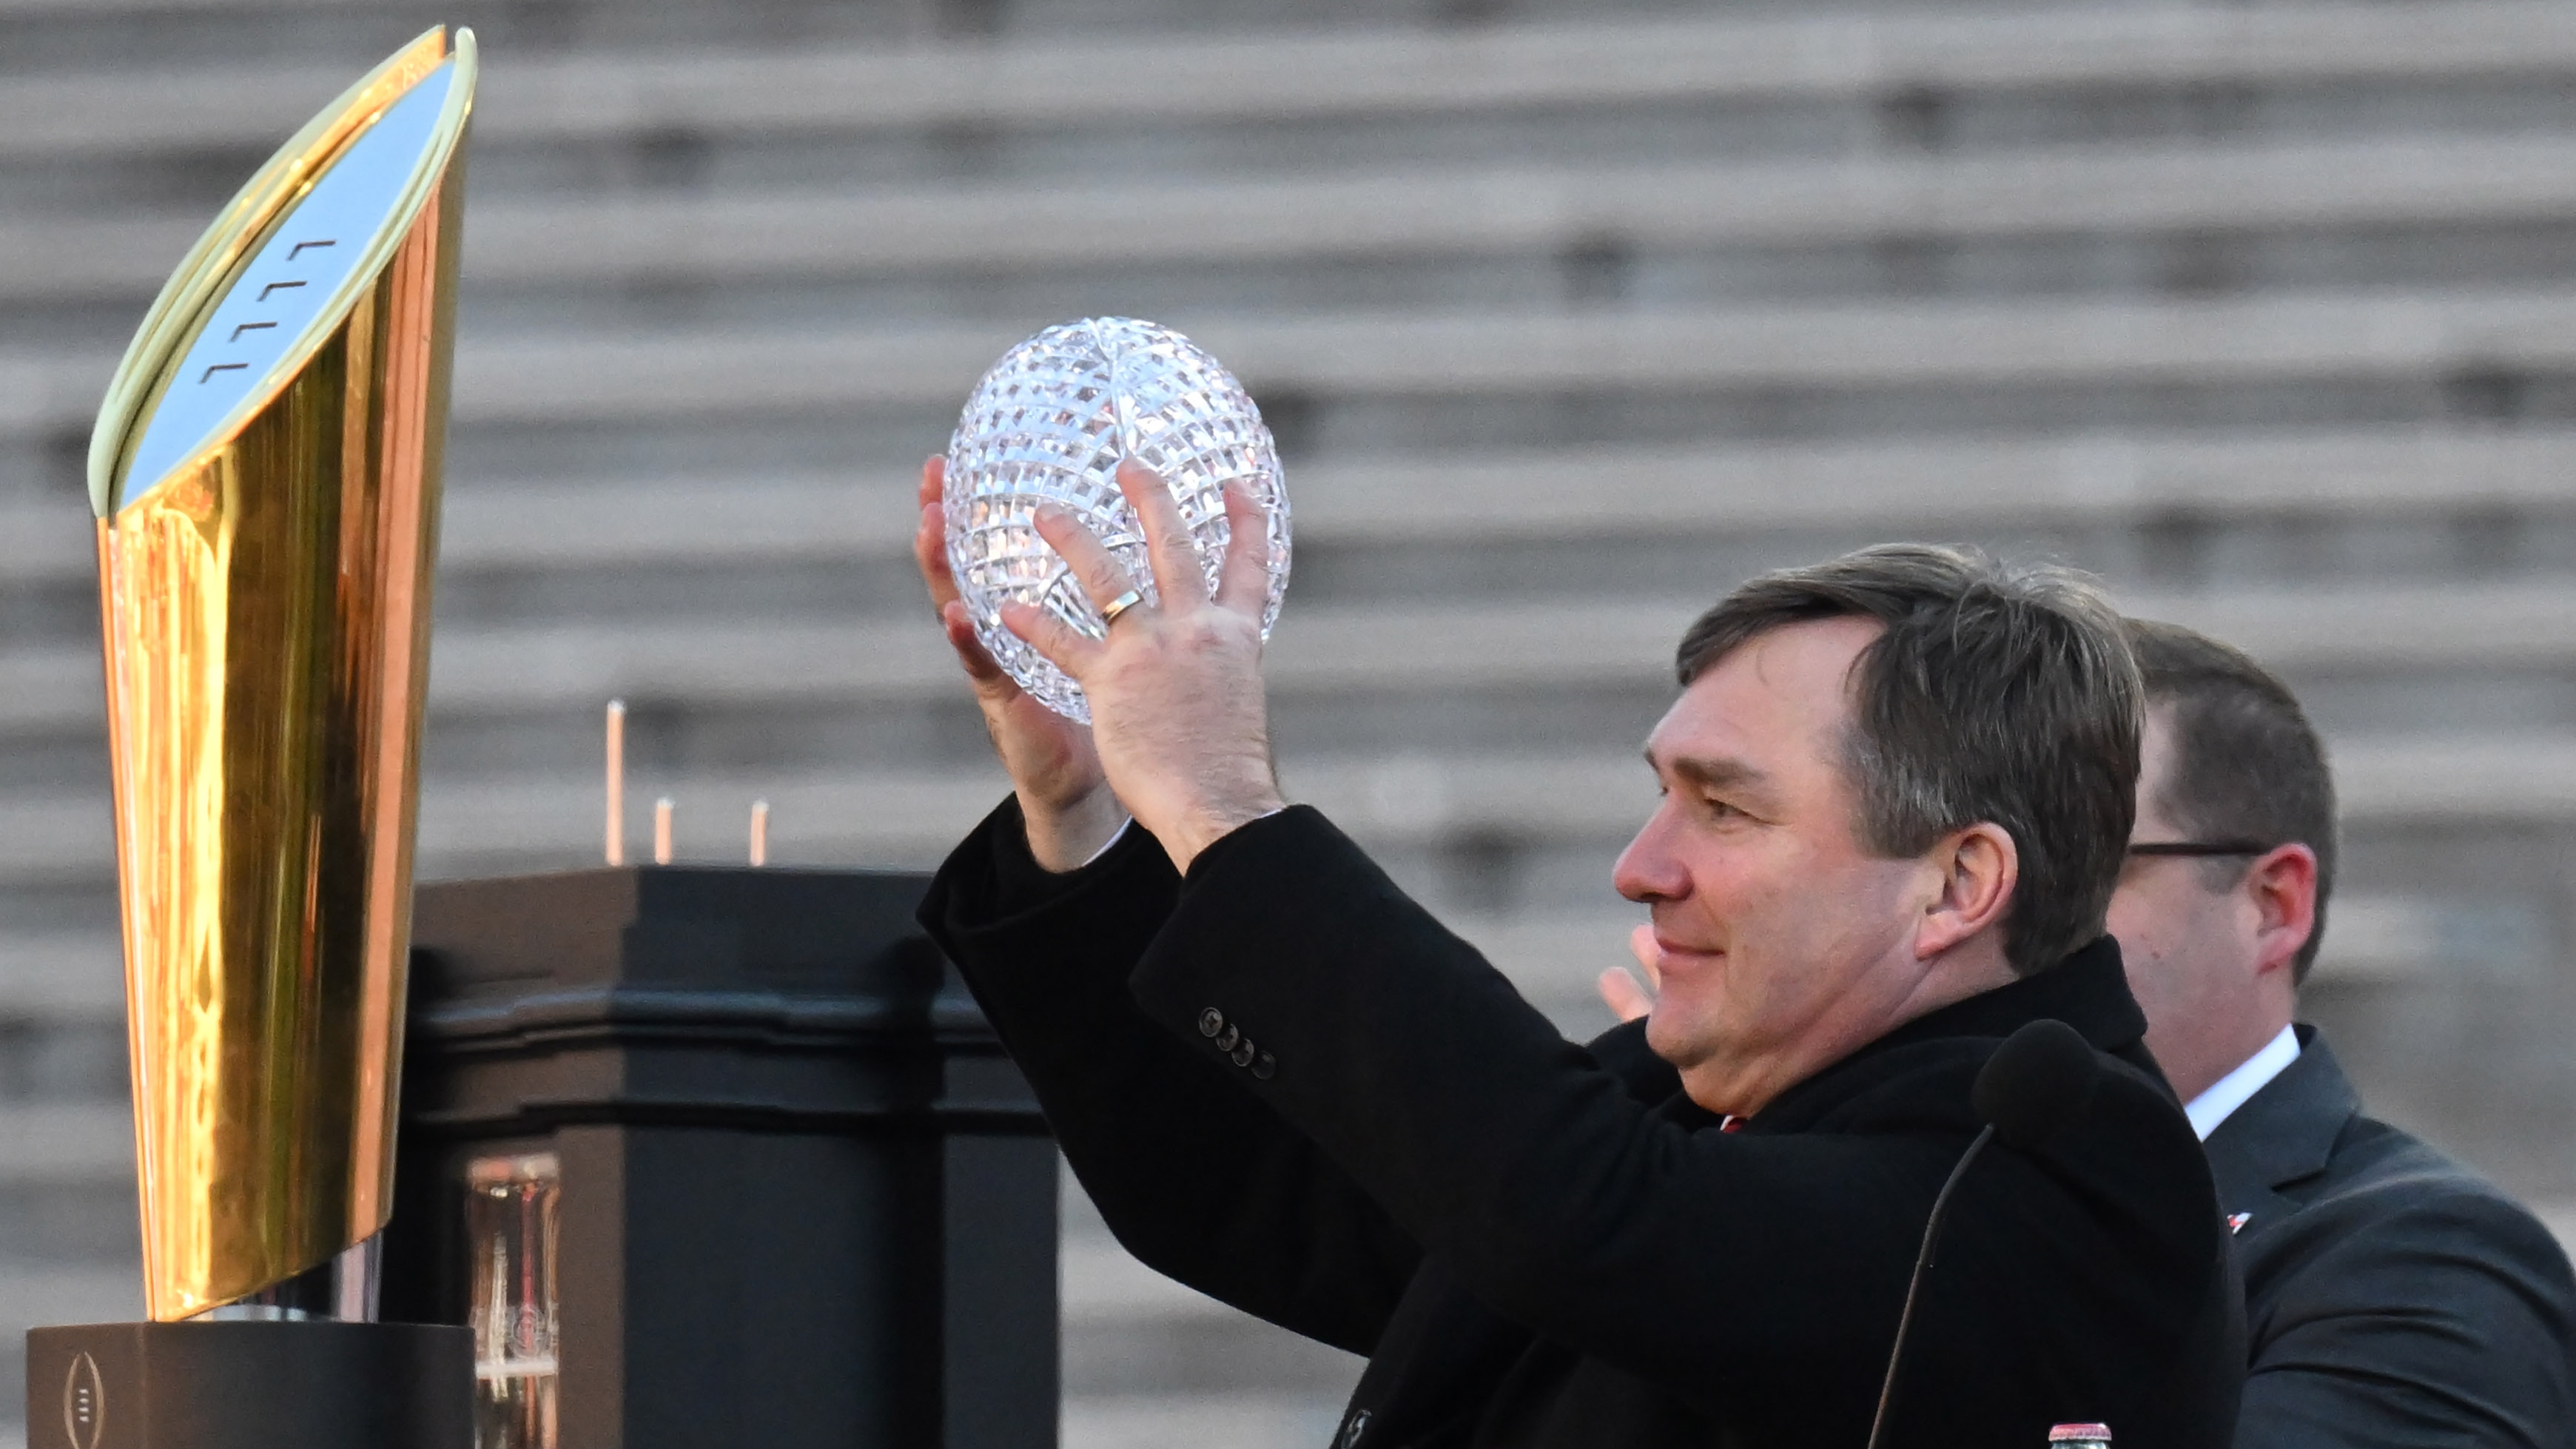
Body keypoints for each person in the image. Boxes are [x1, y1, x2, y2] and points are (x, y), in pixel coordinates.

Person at [910, 456, 2242, 1448]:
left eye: (1724, 807)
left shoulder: (2068, 1169)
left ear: (1959, 881)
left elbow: (1587, 1218)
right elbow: (1262, 1195)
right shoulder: (1678, 1110)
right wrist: (1087, 810)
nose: (1641, 864)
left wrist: (1226, 809)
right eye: (1663, 792)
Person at [2111, 619, 2576, 1447]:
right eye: (1971, 862)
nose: (2004, 915)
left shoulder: (2430, 1258)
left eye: (2075, 863)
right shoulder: (1898, 1196)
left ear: (2271, 905)